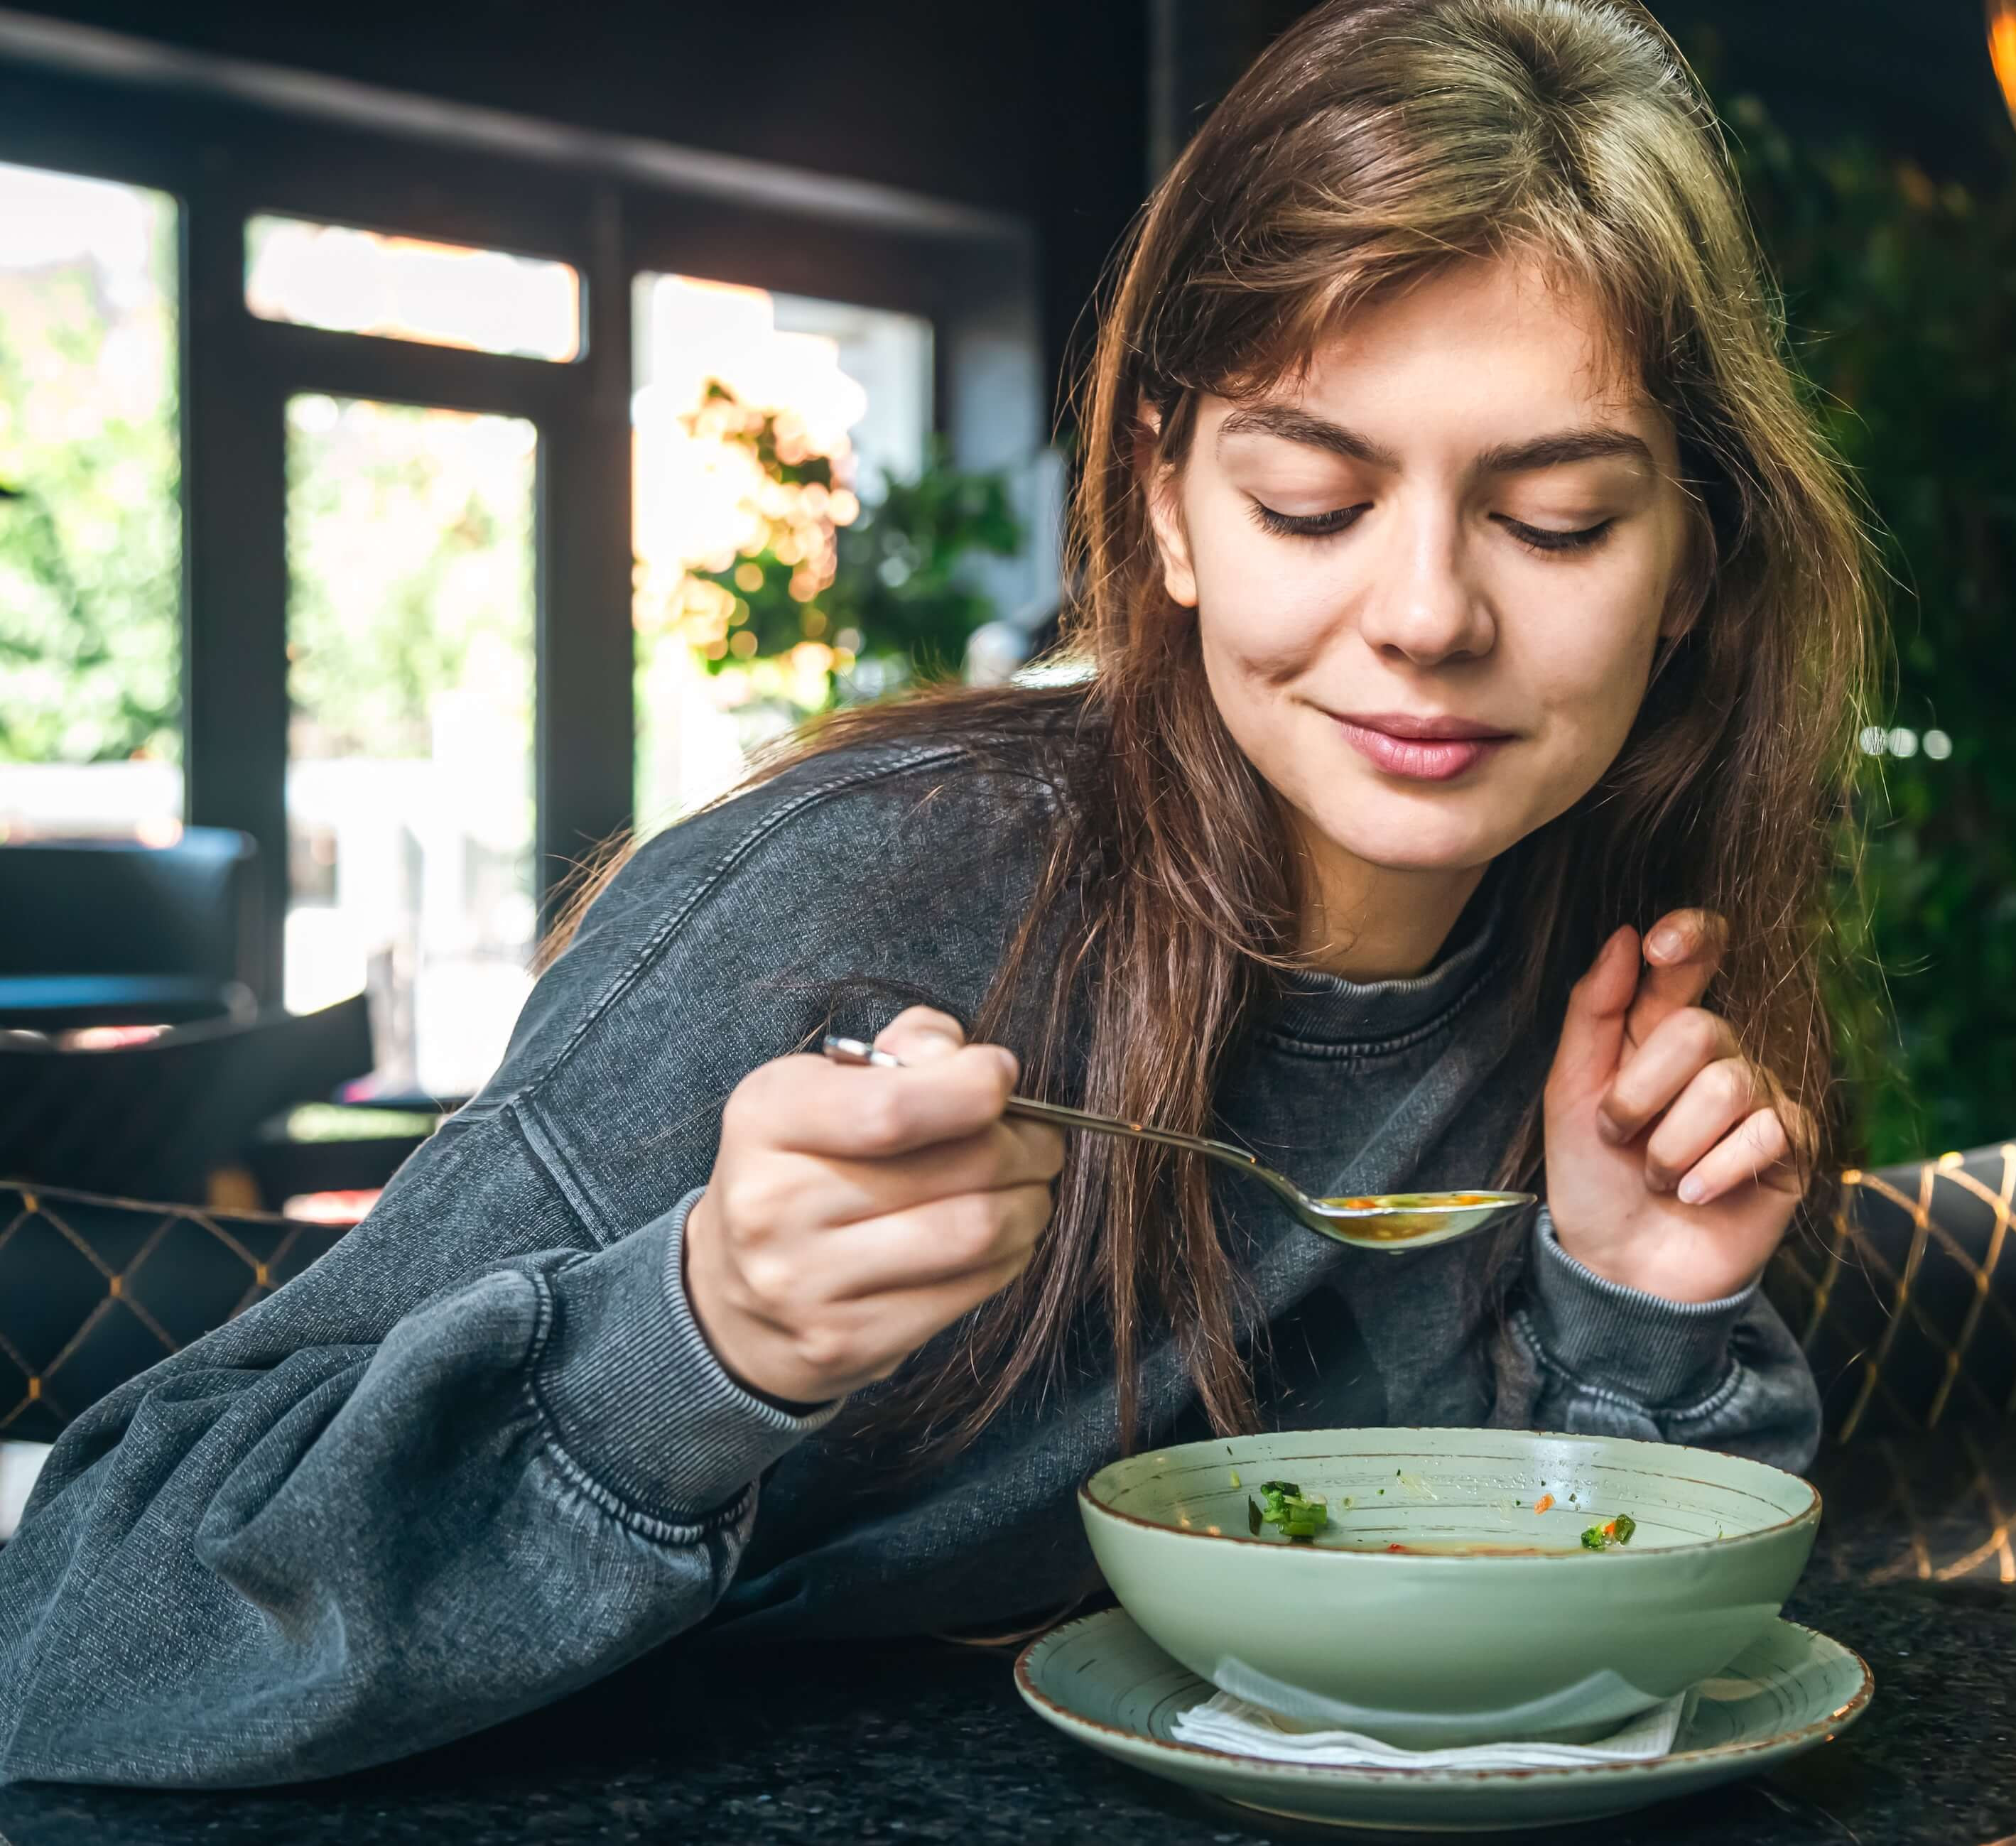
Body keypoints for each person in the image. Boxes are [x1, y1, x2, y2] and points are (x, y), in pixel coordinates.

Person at [0, 0, 1870, 1787]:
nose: (1428, 615)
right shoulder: (850, 912)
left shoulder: (1601, 987)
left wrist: (1630, 1309)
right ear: (1167, 506)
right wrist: (707, 1334)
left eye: (1556, 523)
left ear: (1691, 571)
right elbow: (78, 1625)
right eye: (1313, 499)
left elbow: (1588, 1685)